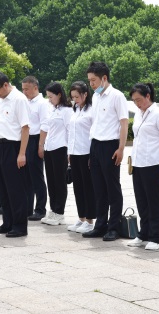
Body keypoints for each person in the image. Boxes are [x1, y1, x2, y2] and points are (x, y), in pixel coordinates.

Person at [82, 62, 128, 242]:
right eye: (89, 80)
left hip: (110, 146)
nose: (91, 84)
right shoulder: (96, 97)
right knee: (99, 188)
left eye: (93, 80)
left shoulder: (117, 96)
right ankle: (100, 225)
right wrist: (91, 151)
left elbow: (124, 123)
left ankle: (113, 227)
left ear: (104, 78)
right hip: (95, 145)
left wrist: (121, 148)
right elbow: (95, 124)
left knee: (112, 188)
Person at [127, 83, 159, 250]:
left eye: (139, 100)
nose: (137, 104)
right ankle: (143, 234)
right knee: (141, 201)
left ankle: (155, 237)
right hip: (138, 163)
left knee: (154, 201)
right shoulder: (139, 114)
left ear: (148, 96)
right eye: (134, 101)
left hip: (154, 163)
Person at [0, 71, 30, 237]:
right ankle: (7, 223)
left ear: (5, 85)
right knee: (2, 187)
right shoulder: (0, 99)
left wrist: (22, 153)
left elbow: (25, 128)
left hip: (13, 147)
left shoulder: (19, 99)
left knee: (15, 188)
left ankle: (19, 226)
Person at [39, 82, 73, 226]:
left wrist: (70, 152)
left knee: (60, 182)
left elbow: (70, 131)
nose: (49, 100)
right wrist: (42, 145)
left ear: (59, 94)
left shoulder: (67, 110)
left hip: (61, 148)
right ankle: (53, 210)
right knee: (51, 181)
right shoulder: (52, 109)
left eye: (51, 97)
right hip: (49, 148)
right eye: (48, 97)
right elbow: (46, 128)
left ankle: (60, 212)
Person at [66, 81, 96, 234]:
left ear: (85, 94)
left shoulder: (92, 110)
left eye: (77, 97)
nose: (75, 100)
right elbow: (71, 133)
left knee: (88, 187)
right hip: (75, 153)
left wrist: (92, 154)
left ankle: (90, 221)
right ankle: (81, 217)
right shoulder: (75, 110)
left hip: (86, 152)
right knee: (77, 187)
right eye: (73, 97)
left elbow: (94, 133)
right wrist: (69, 152)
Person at [22, 76, 50, 221]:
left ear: (35, 87)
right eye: (23, 89)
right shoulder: (24, 102)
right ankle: (27, 208)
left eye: (27, 89)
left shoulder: (42, 103)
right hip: (25, 139)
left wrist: (40, 145)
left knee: (36, 176)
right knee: (25, 176)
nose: (24, 92)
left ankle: (40, 209)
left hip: (36, 139)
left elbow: (45, 124)